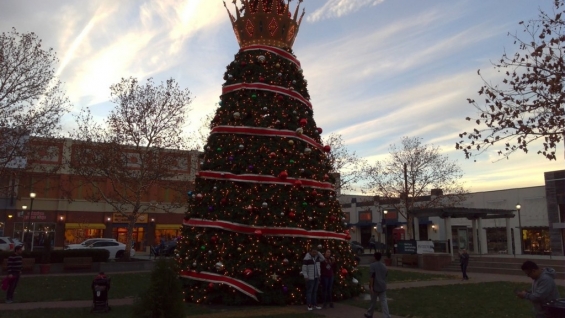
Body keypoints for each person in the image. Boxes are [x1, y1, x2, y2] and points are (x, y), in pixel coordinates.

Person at [364, 252, 391, 318]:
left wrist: (371, 286)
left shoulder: (372, 265)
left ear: (375, 257)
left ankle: (370, 314)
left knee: (373, 301)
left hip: (375, 286)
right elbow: (386, 274)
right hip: (382, 286)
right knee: (384, 301)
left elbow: (372, 277)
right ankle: (386, 315)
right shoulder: (384, 266)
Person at [301, 246, 325, 311]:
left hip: (316, 277)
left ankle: (314, 304)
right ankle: (309, 305)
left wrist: (319, 253)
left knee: (315, 291)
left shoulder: (317, 258)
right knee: (309, 291)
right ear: (310, 252)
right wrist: (305, 276)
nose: (314, 253)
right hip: (310, 277)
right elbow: (304, 268)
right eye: (313, 252)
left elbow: (323, 259)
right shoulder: (307, 258)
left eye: (315, 252)